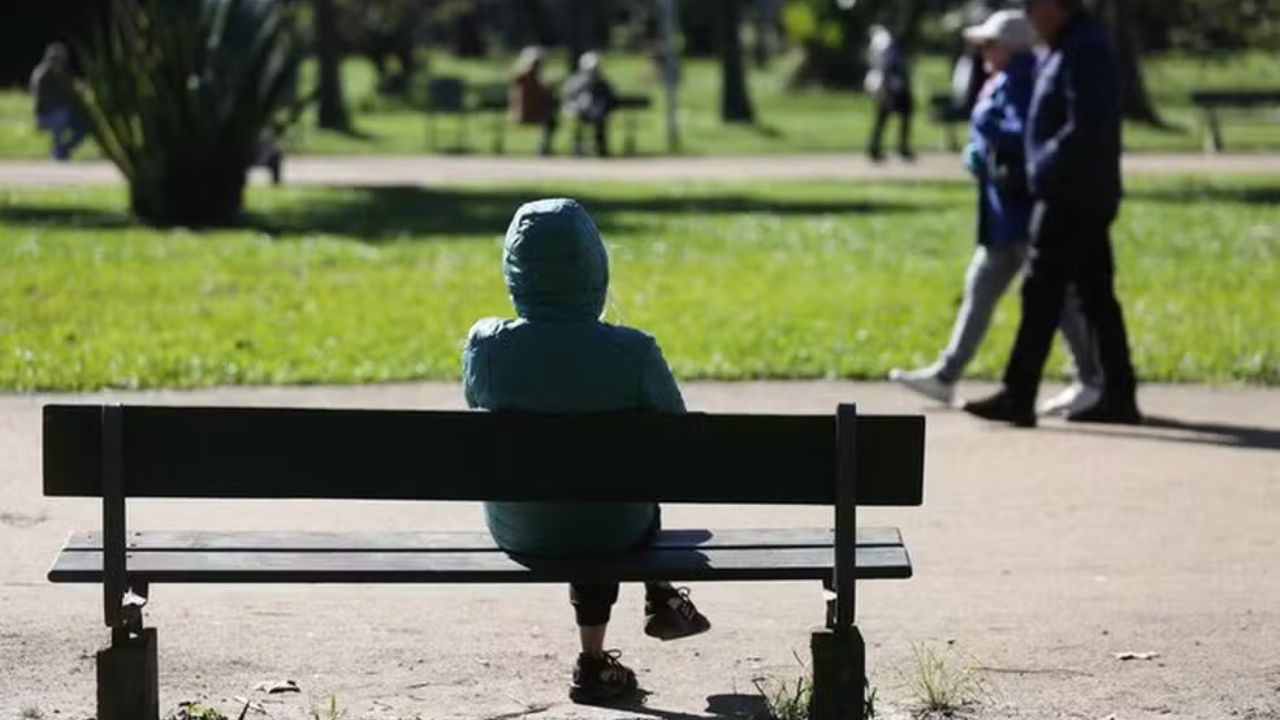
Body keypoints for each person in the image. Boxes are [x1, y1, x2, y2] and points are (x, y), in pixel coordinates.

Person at [462, 198, 710, 705]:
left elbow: (477, 405)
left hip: (520, 526)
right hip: (616, 526)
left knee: (585, 488)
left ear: (515, 270)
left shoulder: (487, 346)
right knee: (618, 490)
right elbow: (676, 437)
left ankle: (609, 647)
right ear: (596, 266)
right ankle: (646, 606)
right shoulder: (634, 351)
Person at [890, 10, 1103, 416]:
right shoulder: (1008, 78)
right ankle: (948, 374)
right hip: (1004, 216)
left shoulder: (1022, 78)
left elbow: (1026, 136)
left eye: (990, 44)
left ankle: (1091, 378)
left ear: (1011, 46)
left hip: (1021, 213)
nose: (983, 51)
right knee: (986, 287)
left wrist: (987, 138)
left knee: (1055, 300)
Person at [964, 0, 1141, 428]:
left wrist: (1042, 166)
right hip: (1079, 191)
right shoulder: (1069, 45)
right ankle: (1118, 392)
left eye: (1033, 6)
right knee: (1095, 296)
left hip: (1070, 194)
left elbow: (1088, 125)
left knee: (1041, 291)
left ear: (1055, 7)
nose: (1029, 15)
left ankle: (1019, 393)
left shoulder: (1085, 49)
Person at [864, 26, 915, 162]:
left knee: (885, 119)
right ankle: (877, 148)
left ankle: (897, 147)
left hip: (891, 90)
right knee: (883, 119)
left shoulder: (890, 51)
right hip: (890, 91)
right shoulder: (889, 53)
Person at [29, 43, 87, 162]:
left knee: (83, 127)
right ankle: (57, 151)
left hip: (63, 112)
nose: (58, 63)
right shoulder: (42, 76)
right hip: (45, 114)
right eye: (55, 60)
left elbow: (72, 90)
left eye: (61, 60)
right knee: (61, 117)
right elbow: (43, 99)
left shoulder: (63, 74)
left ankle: (62, 149)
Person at [561, 51, 617, 157]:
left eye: (596, 69)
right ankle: (576, 147)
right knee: (578, 122)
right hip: (578, 112)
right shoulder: (575, 81)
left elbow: (610, 99)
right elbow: (567, 98)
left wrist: (605, 109)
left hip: (597, 113)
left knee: (600, 121)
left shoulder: (603, 84)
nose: (594, 71)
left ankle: (601, 148)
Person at [510, 46, 558, 156]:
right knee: (550, 121)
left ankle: (543, 147)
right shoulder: (525, 78)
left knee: (550, 120)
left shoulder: (537, 79)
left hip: (535, 112)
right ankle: (543, 148)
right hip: (527, 113)